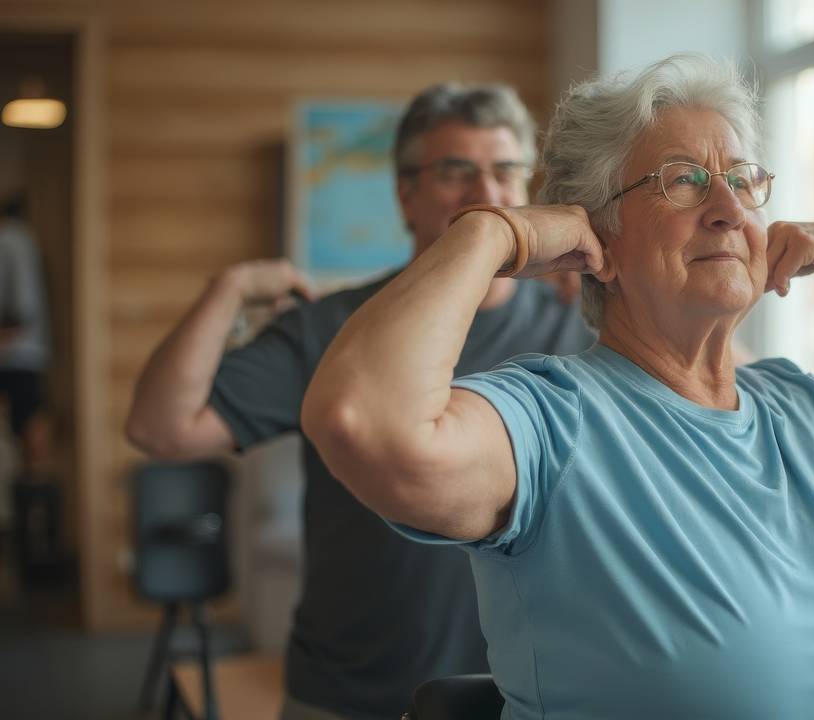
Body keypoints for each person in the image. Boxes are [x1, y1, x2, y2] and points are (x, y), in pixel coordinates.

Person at [303, 55, 814, 719]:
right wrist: (493, 231)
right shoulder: (551, 423)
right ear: (599, 235)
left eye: (743, 180)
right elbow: (362, 419)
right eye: (684, 181)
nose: (728, 209)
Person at [125, 83, 593, 720]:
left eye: (505, 170)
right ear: (406, 196)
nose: (486, 193)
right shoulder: (334, 327)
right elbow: (160, 428)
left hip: (526, 700)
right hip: (347, 696)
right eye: (455, 171)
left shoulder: (579, 325)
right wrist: (227, 290)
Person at [0, 191, 52, 474]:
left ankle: (34, 484)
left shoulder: (13, 241)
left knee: (28, 417)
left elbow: (23, 309)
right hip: (17, 351)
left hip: (18, 351)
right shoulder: (17, 240)